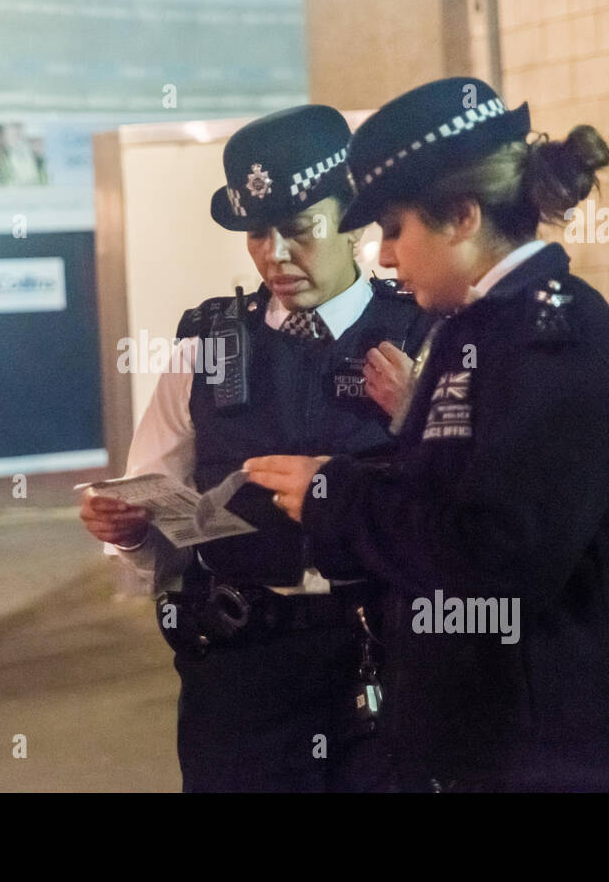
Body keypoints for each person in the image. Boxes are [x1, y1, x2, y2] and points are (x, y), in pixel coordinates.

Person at [245, 77, 609, 792]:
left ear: (463, 216)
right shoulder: (484, 327)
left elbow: (496, 555)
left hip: (585, 759)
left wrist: (336, 497)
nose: (383, 256)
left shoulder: (549, 341)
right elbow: (460, 498)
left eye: (396, 228)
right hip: (521, 750)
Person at [80, 105, 435, 791]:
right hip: (241, 673)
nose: (275, 253)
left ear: (353, 220)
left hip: (385, 662)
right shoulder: (205, 348)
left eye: (300, 230)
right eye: (257, 233)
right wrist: (127, 531)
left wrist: (418, 417)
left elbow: (474, 514)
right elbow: (154, 506)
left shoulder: (423, 334)